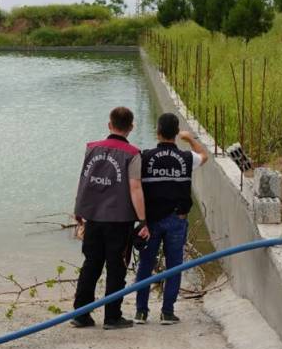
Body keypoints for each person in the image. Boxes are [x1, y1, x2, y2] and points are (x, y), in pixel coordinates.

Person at [71, 106, 150, 330]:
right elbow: (135, 188)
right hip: (119, 220)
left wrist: (79, 208)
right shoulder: (133, 154)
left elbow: (84, 180)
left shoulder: (92, 148)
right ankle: (112, 316)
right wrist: (143, 220)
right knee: (117, 267)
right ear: (131, 127)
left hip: (93, 217)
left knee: (91, 264)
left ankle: (81, 313)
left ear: (109, 125)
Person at [134, 113, 208, 325]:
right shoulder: (186, 158)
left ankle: (141, 312)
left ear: (157, 132)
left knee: (145, 266)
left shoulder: (145, 157)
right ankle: (167, 312)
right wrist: (190, 139)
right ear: (176, 134)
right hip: (177, 219)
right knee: (174, 265)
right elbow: (205, 156)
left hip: (151, 222)